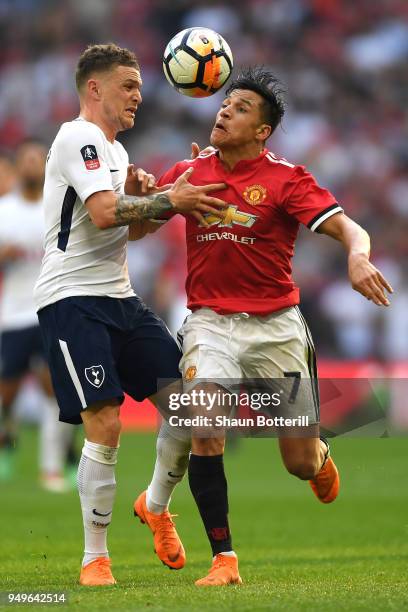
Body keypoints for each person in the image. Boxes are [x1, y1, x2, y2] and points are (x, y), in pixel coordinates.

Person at [133, 67, 393, 586]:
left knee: (297, 462)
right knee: (206, 428)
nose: (225, 110)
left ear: (262, 131)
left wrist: (358, 258)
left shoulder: (286, 179)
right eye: (226, 103)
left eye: (242, 107)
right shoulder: (188, 172)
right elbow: (139, 229)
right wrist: (142, 194)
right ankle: (223, 560)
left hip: (277, 329)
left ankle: (318, 455)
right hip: (210, 323)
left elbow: (350, 228)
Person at [33, 43, 227, 587]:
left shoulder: (117, 154)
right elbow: (102, 211)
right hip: (72, 301)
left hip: (120, 298)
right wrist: (169, 199)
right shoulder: (78, 137)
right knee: (107, 421)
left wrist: (159, 199)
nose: (139, 95)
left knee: (188, 408)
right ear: (94, 89)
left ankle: (156, 505)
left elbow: (130, 227)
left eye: (139, 86)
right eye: (129, 85)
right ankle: (96, 557)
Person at [0, 141, 75, 491]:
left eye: (37, 159)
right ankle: (7, 442)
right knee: (8, 395)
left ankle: (53, 467)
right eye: (26, 159)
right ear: (19, 168)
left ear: (45, 167)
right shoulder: (5, 209)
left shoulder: (57, 207)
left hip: (50, 308)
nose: (32, 164)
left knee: (53, 390)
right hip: (13, 314)